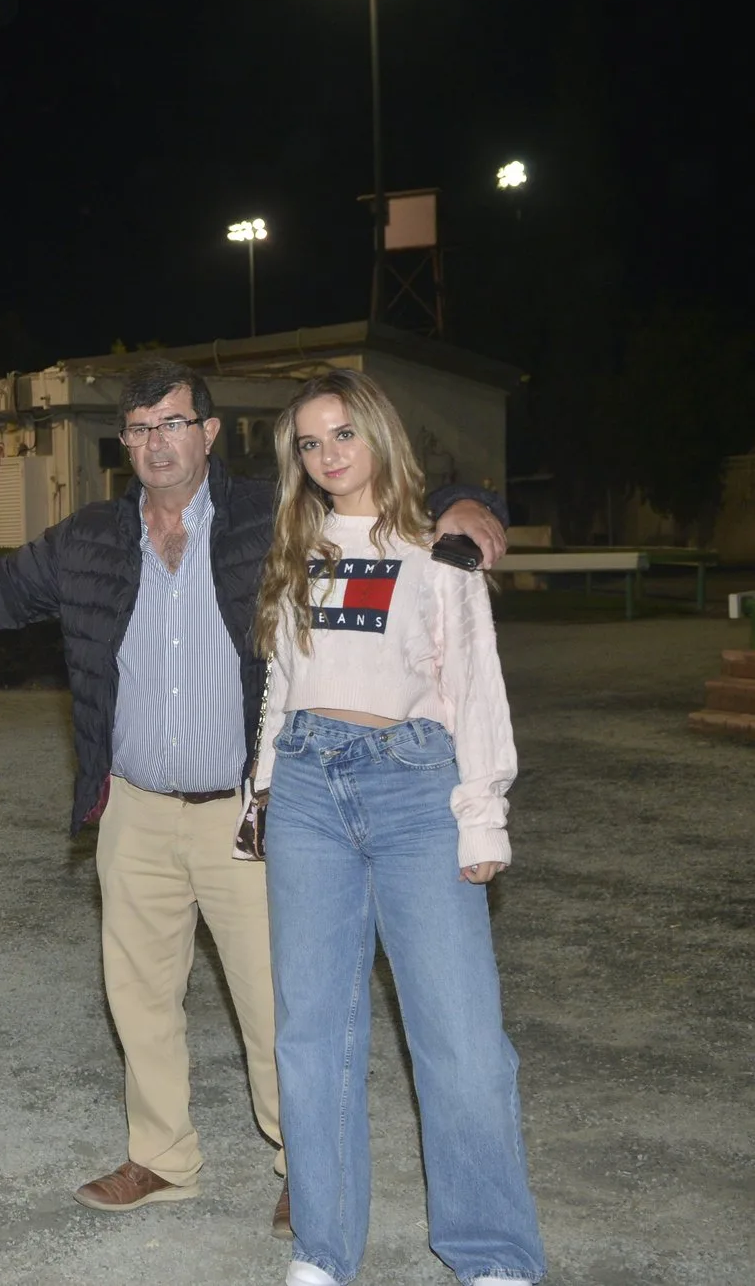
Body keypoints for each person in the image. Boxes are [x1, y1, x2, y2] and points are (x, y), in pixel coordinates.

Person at [0, 358, 507, 1235]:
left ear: (209, 432)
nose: (156, 443)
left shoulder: (273, 516)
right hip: (132, 806)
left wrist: (466, 500)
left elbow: (372, 494)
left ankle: (305, 1163)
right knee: (138, 997)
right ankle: (160, 1157)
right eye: (138, 428)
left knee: (275, 1000)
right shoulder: (87, 538)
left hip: (244, 808)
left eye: (173, 423)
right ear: (124, 442)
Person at [252, 369, 544, 1286]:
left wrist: (482, 818)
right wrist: (261, 793)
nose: (327, 454)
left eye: (342, 433)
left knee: (459, 1035)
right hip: (306, 787)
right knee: (310, 1034)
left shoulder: (439, 549)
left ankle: (489, 1253)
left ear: (378, 433)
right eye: (309, 442)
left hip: (415, 789)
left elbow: (475, 688)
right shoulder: (295, 548)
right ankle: (320, 1249)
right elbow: (280, 683)